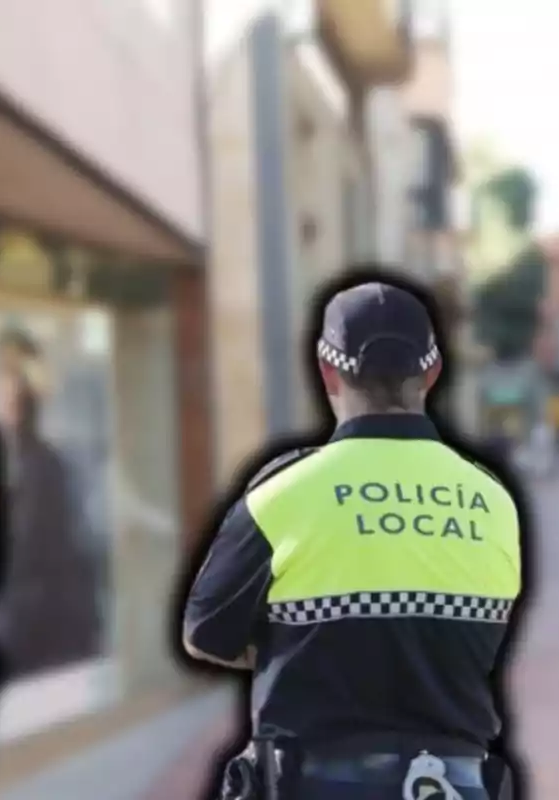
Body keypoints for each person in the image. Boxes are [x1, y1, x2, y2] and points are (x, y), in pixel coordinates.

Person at [182, 281, 523, 800]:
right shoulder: (494, 504)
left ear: (327, 373)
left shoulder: (280, 497)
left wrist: (308, 645)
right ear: (431, 373)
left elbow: (204, 633)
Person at [0, 329, 101, 676]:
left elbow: (39, 548)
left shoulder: (45, 465)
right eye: (5, 379)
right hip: (20, 627)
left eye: (18, 381)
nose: (11, 391)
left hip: (41, 633)